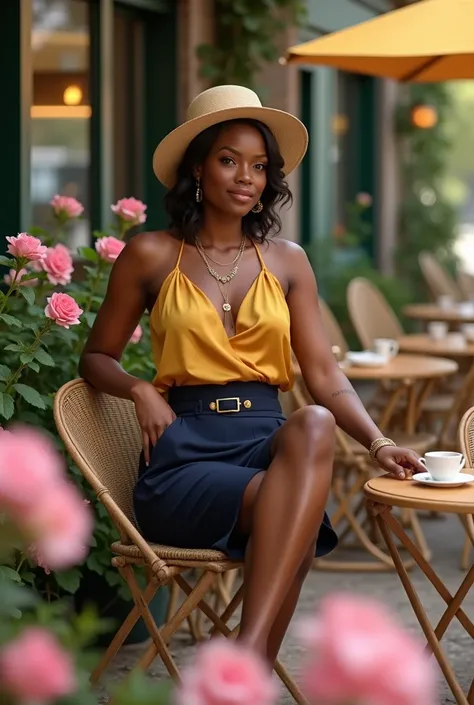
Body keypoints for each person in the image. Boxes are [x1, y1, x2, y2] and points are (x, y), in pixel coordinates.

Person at [79, 85, 423, 664]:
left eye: (259, 166)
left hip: (267, 440)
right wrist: (139, 388)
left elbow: (323, 374)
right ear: (197, 168)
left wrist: (378, 441)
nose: (247, 177)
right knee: (297, 515)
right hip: (184, 455)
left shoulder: (287, 260)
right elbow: (94, 358)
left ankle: (243, 660)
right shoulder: (150, 255)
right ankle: (251, 666)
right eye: (229, 160)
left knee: (313, 424)